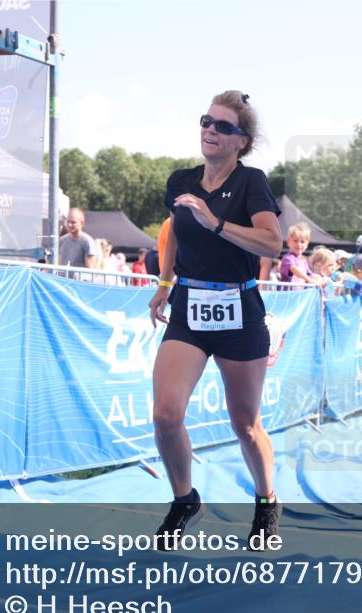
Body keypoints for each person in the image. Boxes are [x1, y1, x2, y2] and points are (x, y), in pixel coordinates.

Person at [148, 91, 282, 550]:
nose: (210, 130)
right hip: (189, 307)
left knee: (245, 424)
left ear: (241, 141)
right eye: (207, 121)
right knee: (166, 415)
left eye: (223, 126)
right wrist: (164, 283)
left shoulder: (251, 183)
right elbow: (173, 235)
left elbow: (272, 243)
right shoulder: (181, 180)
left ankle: (266, 502)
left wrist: (216, 223)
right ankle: (184, 499)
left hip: (240, 312)